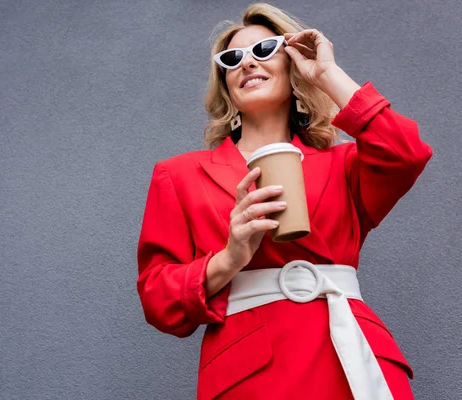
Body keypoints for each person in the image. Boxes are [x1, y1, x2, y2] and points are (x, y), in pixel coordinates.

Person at [136, 3, 432, 399]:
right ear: (225, 82)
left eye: (263, 51)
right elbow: (157, 296)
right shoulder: (180, 174)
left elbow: (406, 152)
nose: (246, 64)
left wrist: (327, 75)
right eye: (232, 59)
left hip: (350, 360)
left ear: (292, 65)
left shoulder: (344, 166)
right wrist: (228, 258)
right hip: (251, 375)